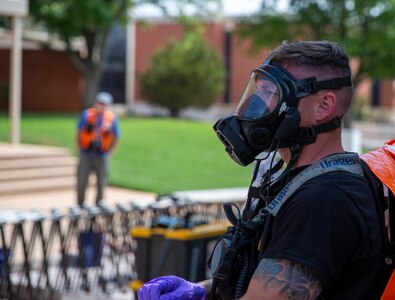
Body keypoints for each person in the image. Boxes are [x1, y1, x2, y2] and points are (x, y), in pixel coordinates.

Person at [137, 40, 384, 300]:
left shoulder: (325, 199)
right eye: (259, 91)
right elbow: (260, 284)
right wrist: (201, 291)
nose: (256, 106)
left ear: (324, 105)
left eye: (272, 93)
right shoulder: (296, 181)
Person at [76, 91, 120, 206]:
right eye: (100, 103)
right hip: (86, 153)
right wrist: (79, 149)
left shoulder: (112, 119)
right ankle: (80, 204)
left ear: (108, 105)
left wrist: (110, 152)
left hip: (102, 154)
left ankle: (99, 205)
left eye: (104, 104)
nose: (101, 106)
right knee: (82, 180)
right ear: (95, 103)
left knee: (101, 182)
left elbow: (116, 137)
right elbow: (78, 133)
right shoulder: (86, 115)